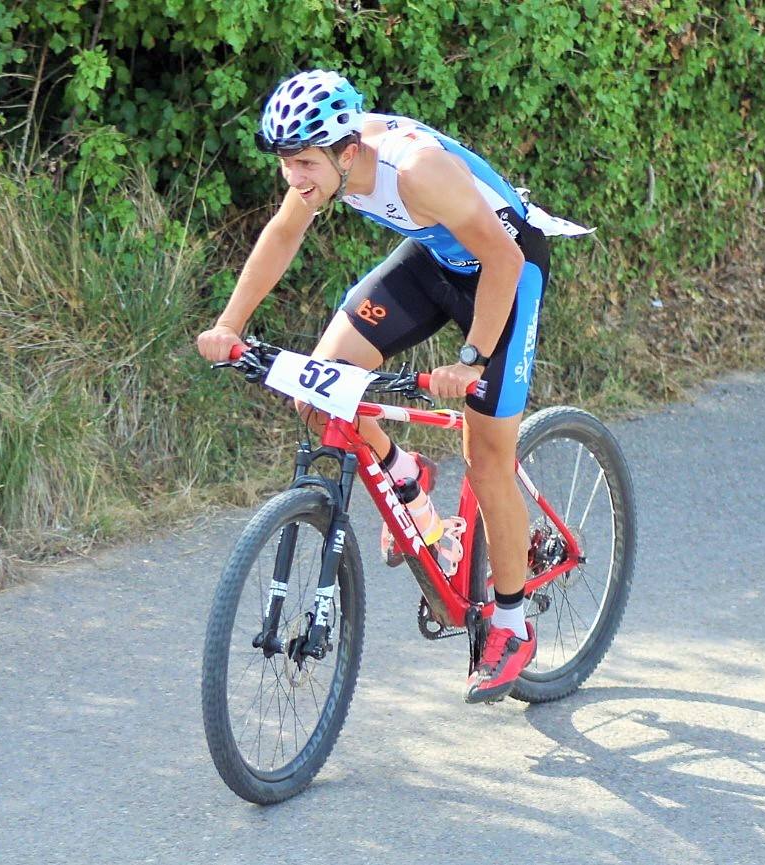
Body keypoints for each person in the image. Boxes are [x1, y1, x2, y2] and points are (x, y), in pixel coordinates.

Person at [198, 69, 584, 703]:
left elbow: (504, 259)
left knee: (488, 462)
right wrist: (227, 325)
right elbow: (284, 233)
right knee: (318, 392)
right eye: (285, 164)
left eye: (302, 164)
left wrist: (472, 358)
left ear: (347, 153)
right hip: (432, 261)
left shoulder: (417, 171)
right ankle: (406, 475)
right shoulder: (327, 163)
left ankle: (512, 625)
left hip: (504, 275)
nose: (293, 179)